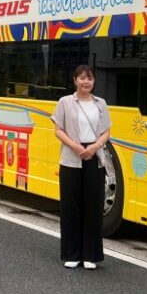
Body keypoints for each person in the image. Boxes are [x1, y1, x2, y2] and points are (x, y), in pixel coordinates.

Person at [51, 65, 112, 270]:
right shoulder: (65, 102)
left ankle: (90, 255)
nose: (87, 82)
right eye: (83, 78)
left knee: (93, 206)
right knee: (71, 205)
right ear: (75, 80)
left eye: (90, 79)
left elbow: (106, 132)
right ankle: (72, 253)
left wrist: (94, 147)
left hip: (94, 156)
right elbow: (58, 130)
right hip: (71, 156)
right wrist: (77, 147)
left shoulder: (100, 103)